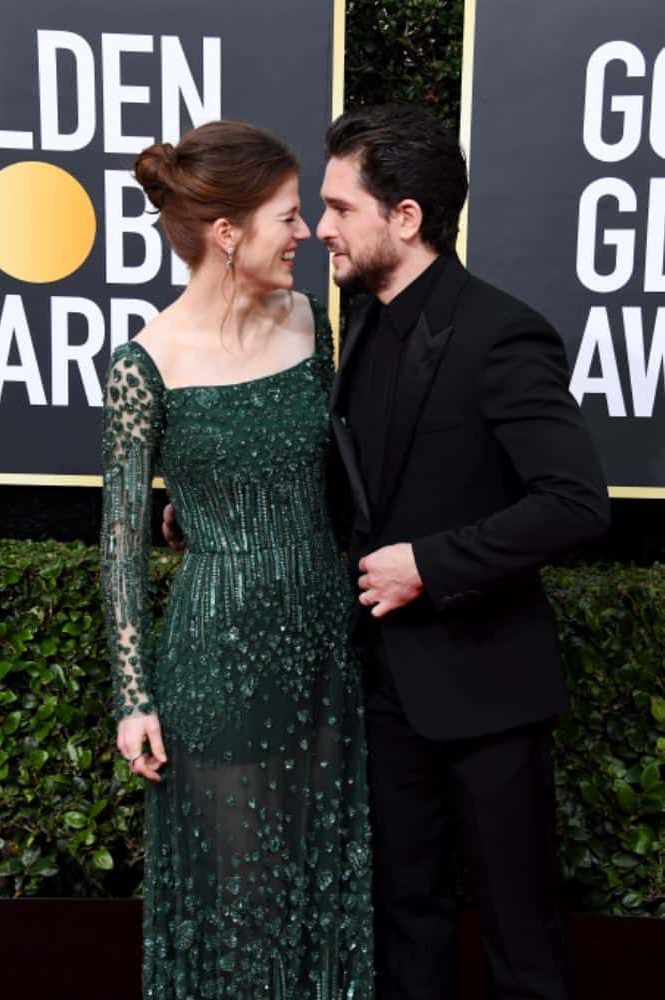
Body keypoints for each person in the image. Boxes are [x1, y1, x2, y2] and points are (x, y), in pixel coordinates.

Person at [315, 105, 610, 999]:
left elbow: (575, 504)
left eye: (338, 207)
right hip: (386, 687)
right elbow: (362, 487)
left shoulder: (501, 334)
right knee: (407, 921)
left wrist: (431, 565)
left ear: (405, 217)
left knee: (521, 942)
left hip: (488, 690)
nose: (320, 227)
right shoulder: (362, 321)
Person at [100, 120, 373, 999]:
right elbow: (119, 543)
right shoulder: (147, 364)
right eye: (287, 218)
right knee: (241, 897)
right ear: (228, 233)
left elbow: (327, 469)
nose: (307, 234)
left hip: (323, 638)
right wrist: (134, 698)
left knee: (323, 880)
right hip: (218, 650)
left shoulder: (309, 319)